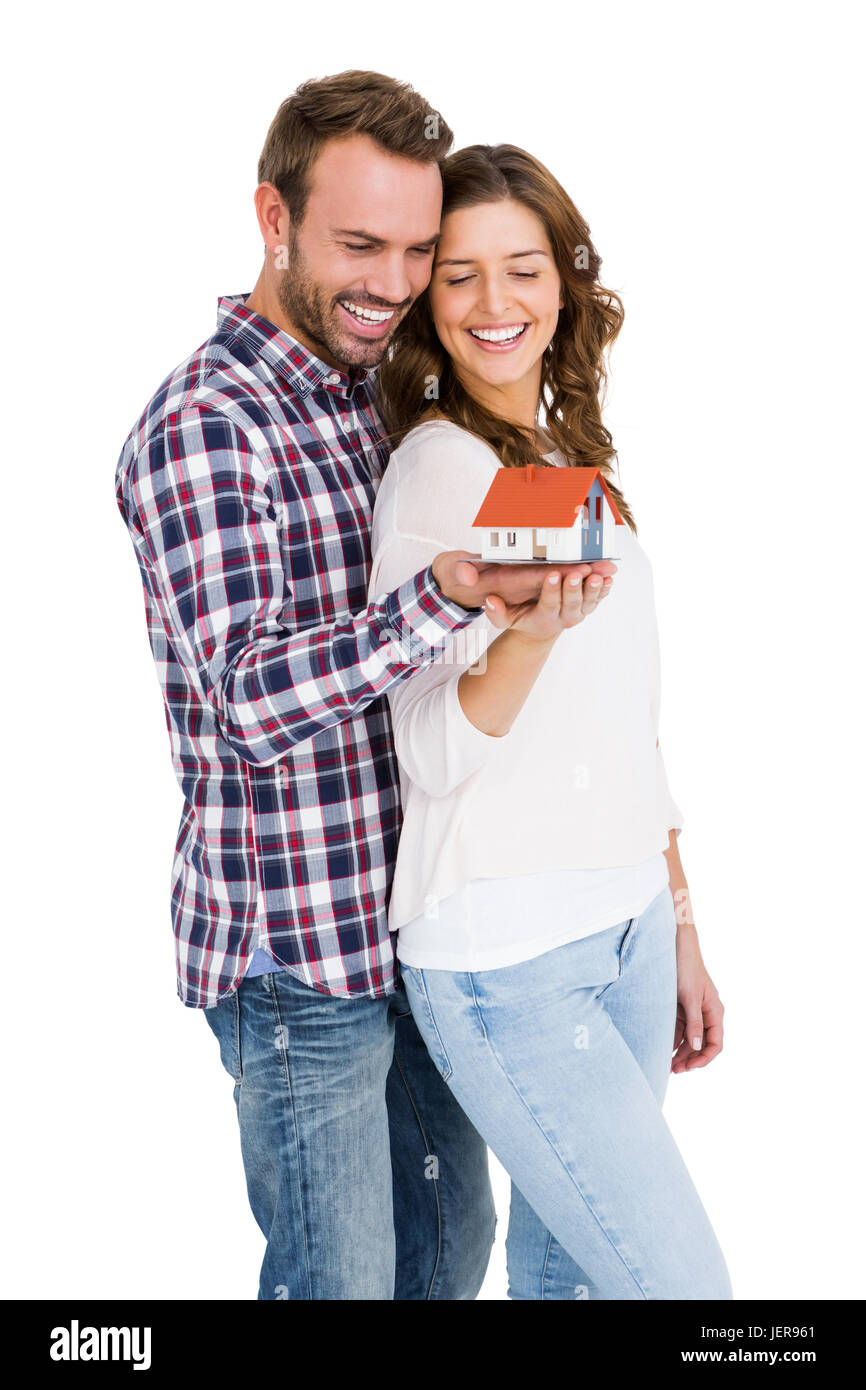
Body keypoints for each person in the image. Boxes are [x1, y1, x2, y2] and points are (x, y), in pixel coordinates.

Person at [113, 72, 610, 1301]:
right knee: (337, 1286)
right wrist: (443, 592)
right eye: (356, 244)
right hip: (298, 963)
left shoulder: (362, 394)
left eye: (412, 249)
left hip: (410, 936)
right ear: (272, 220)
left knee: (444, 1262)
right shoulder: (206, 424)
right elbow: (247, 697)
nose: (390, 282)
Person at [368, 143, 734, 1300]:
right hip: (505, 959)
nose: (494, 304)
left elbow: (631, 722)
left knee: (568, 1282)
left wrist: (675, 920)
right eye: (460, 274)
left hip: (622, 926)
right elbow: (423, 750)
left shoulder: (570, 454)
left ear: (563, 281)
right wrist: (526, 635)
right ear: (428, 299)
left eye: (521, 268)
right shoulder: (435, 473)